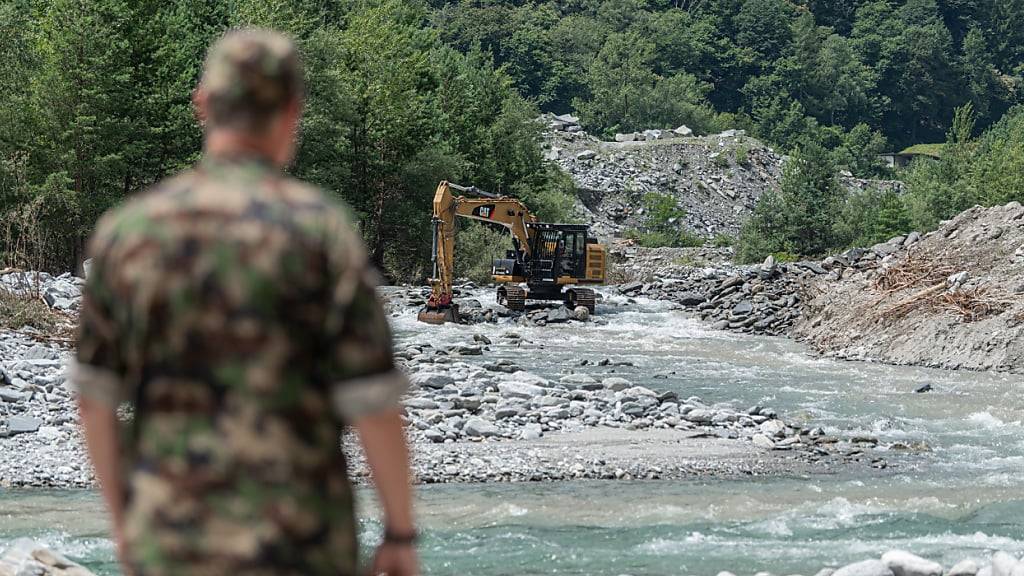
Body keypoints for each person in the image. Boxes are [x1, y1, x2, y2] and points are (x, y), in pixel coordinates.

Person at [73, 29, 418, 576]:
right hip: (301, 544)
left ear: (203, 105)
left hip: (169, 543)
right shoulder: (318, 231)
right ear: (292, 113)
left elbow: (93, 398)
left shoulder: (129, 232)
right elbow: (372, 399)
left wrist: (127, 526)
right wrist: (400, 531)